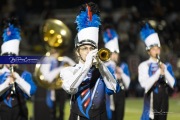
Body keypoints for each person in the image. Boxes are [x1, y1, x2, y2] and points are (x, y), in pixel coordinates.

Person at [60, 2, 120, 120]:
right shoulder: (68, 71)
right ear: (78, 52)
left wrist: (101, 66)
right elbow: (70, 88)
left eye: (92, 48)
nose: (88, 52)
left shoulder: (104, 70)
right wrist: (86, 66)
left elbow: (113, 88)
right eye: (84, 49)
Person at [0, 17, 37, 120]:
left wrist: (18, 79)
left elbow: (31, 92)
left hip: (21, 115)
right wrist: (6, 84)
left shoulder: (24, 74)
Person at [138, 21, 176, 120]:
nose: (156, 51)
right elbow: (145, 86)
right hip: (151, 100)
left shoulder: (166, 65)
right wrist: (158, 73)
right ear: (148, 51)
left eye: (158, 49)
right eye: (153, 49)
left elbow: (173, 84)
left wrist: (165, 71)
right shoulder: (144, 65)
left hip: (164, 100)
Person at [102, 25, 131, 120]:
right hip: (108, 95)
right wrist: (114, 74)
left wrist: (121, 73)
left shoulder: (123, 66)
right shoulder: (104, 66)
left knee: (120, 116)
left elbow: (127, 84)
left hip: (120, 94)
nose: (115, 56)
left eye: (116, 53)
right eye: (113, 53)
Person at [40, 47, 76, 120]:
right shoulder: (48, 60)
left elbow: (75, 67)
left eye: (57, 51)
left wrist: (67, 59)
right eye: (54, 51)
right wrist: (60, 69)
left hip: (62, 88)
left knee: (61, 110)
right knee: (52, 110)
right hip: (53, 88)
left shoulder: (63, 59)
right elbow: (48, 77)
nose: (56, 53)